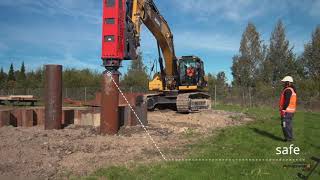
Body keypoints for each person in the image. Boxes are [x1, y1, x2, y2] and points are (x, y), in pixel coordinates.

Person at [279, 76, 297, 142]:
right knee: (288, 125)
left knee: (285, 125)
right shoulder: (292, 90)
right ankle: (290, 138)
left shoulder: (288, 90)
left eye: (284, 82)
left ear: (288, 82)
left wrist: (283, 109)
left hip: (286, 111)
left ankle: (288, 139)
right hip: (290, 111)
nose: (283, 84)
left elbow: (287, 101)